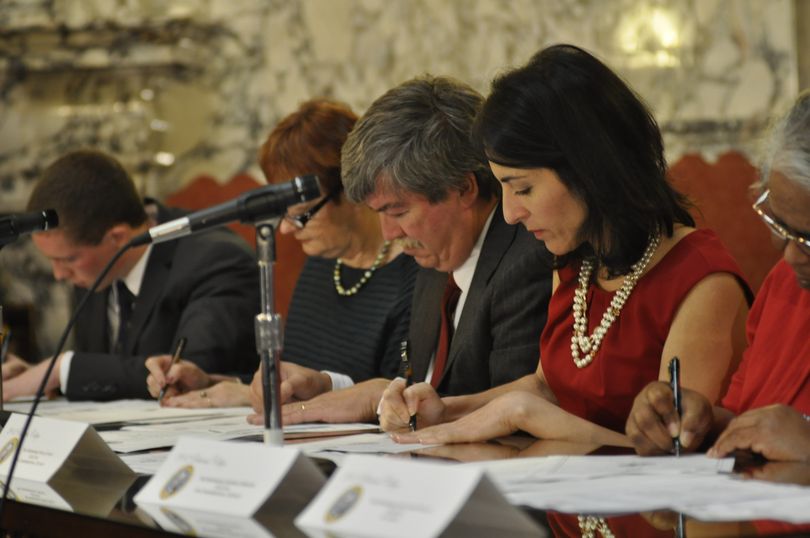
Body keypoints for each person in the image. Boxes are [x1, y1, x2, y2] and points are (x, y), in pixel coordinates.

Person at [381, 44, 751, 448]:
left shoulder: (701, 281)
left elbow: (675, 451)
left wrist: (522, 414)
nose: (509, 214)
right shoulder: (578, 261)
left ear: (589, 170)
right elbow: (546, 386)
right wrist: (447, 410)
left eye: (523, 188)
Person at [247, 75, 553, 426]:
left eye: (398, 212)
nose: (389, 233)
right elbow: (418, 384)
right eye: (381, 214)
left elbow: (511, 415)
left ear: (464, 188)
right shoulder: (436, 253)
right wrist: (330, 386)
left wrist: (383, 402)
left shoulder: (527, 260)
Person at [145, 99, 419, 408]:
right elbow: (299, 379)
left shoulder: (415, 270)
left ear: (353, 190)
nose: (286, 230)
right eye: (283, 214)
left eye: (301, 214)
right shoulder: (323, 262)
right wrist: (219, 385)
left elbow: (397, 400)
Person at [626, 90, 810, 463]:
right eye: (779, 223)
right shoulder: (785, 285)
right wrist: (698, 424)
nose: (789, 253)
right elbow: (747, 416)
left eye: (808, 238)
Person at [2, 149, 260, 400]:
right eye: (52, 261)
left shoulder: (215, 259)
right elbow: (104, 367)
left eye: (68, 259)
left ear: (118, 237)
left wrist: (64, 369)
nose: (59, 274)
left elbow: (188, 375)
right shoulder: (92, 265)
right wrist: (46, 380)